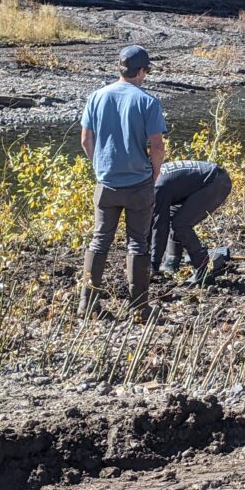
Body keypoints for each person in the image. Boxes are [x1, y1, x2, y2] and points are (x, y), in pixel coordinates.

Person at [78, 44, 166, 320]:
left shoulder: (96, 96)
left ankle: (87, 304)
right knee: (138, 243)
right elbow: (157, 146)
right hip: (139, 183)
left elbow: (85, 139)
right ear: (141, 71)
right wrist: (154, 173)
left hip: (106, 183)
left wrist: (99, 166)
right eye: (145, 71)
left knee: (99, 241)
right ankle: (139, 307)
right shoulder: (148, 102)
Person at [150, 160, 232, 285]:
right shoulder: (155, 174)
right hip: (207, 180)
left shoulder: (158, 186)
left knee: (181, 224)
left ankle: (203, 272)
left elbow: (159, 226)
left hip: (216, 182)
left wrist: (153, 264)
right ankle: (171, 262)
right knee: (173, 216)